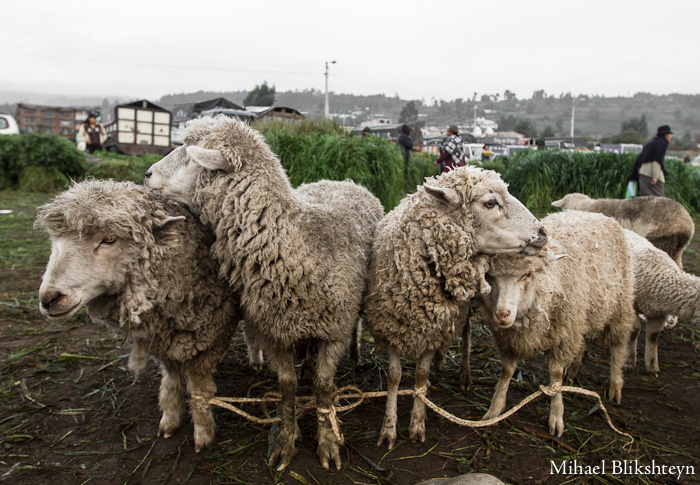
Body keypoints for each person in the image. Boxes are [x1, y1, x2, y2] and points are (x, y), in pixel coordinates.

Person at [628, 125, 673, 197]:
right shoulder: (662, 144)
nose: (671, 137)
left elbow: (639, 158)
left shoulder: (651, 142)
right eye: (670, 135)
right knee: (659, 201)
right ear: (666, 135)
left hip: (643, 174)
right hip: (650, 174)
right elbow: (657, 161)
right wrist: (655, 177)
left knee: (646, 199)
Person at [396, 123, 414, 192]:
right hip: (404, 157)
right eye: (409, 130)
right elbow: (411, 145)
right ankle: (405, 189)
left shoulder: (400, 136)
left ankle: (402, 189)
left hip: (400, 156)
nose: (410, 132)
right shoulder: (404, 137)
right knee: (404, 173)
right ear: (406, 130)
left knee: (403, 173)